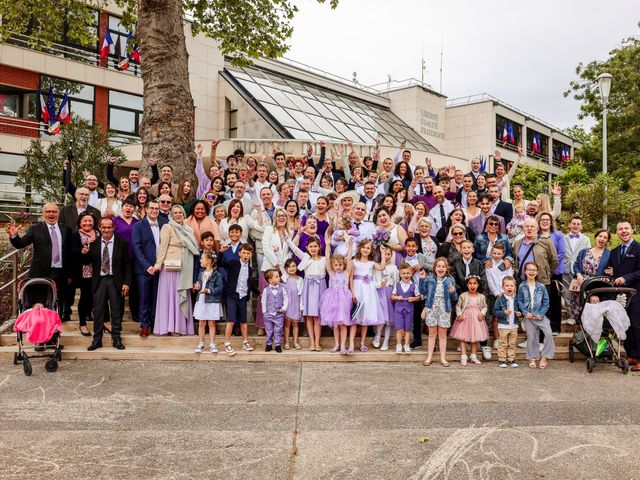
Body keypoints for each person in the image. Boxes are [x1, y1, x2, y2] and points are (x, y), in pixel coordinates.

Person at [9, 203, 72, 317]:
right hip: (40, 273)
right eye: (48, 211)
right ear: (43, 214)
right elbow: (20, 244)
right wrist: (14, 236)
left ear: (58, 213)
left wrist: (70, 274)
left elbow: (69, 252)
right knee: (40, 303)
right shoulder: (35, 229)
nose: (51, 214)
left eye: (54, 211)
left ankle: (57, 325)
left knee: (59, 300)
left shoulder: (66, 229)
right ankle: (40, 327)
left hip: (61, 272)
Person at [81, 216, 131, 351]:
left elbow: (127, 264)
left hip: (116, 280)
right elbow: (86, 262)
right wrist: (84, 253)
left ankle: (116, 338)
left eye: (109, 227)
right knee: (98, 311)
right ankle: (97, 339)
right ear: (99, 228)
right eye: (104, 227)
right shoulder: (94, 243)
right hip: (100, 280)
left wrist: (126, 282)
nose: (106, 230)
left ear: (113, 228)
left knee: (116, 310)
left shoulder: (122, 243)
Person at [152, 205, 200, 336]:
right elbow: (163, 247)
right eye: (175, 213)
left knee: (181, 295)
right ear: (171, 215)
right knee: (169, 297)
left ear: (184, 214)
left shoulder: (189, 229)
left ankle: (179, 327)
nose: (178, 215)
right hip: (170, 266)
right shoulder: (168, 227)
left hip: (185, 266)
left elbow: (195, 247)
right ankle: (168, 327)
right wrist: (158, 264)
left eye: (180, 212)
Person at [131, 200, 168, 337]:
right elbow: (136, 248)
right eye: (151, 208)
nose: (154, 210)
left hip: (161, 268)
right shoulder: (138, 226)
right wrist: (147, 266)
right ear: (146, 209)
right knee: (144, 298)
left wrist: (160, 265)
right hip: (143, 270)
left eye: (157, 208)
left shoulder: (165, 225)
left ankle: (155, 324)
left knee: (157, 299)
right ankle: (145, 325)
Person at [606, 222, 640, 371]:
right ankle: (632, 355)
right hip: (620, 295)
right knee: (625, 325)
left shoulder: (638, 249)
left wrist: (625, 278)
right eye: (620, 229)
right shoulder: (614, 251)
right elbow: (611, 270)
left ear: (632, 230)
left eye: (626, 228)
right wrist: (608, 277)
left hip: (636, 293)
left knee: (637, 324)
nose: (623, 231)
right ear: (617, 232)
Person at [286, 235, 327, 352]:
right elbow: (294, 248)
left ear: (319, 247)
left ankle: (317, 342)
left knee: (317, 316)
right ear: (307, 248)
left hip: (320, 287)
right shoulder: (305, 258)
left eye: (315, 246)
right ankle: (312, 342)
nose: (313, 248)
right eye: (311, 246)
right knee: (309, 315)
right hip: (309, 287)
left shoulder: (324, 260)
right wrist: (287, 238)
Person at [349, 241, 388, 354]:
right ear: (360, 248)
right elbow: (351, 278)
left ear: (371, 251)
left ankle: (362, 343)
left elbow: (381, 267)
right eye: (364, 247)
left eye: (368, 248)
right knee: (355, 319)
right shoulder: (354, 262)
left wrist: (383, 253)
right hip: (358, 289)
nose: (366, 250)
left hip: (368, 292)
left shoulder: (371, 263)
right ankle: (351, 344)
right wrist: (352, 292)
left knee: (365, 319)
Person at [220, 243, 259, 356]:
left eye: (248, 253)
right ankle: (227, 343)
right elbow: (220, 264)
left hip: (242, 297)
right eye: (244, 253)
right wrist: (221, 252)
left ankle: (245, 342)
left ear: (251, 255)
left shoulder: (250, 269)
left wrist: (259, 293)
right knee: (231, 320)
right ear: (239, 253)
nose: (246, 255)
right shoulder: (234, 263)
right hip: (232, 295)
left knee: (243, 321)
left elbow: (250, 284)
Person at [420, 257, 458, 367]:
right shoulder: (429, 279)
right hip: (431, 308)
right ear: (434, 268)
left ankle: (443, 358)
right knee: (432, 334)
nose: (441, 268)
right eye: (438, 266)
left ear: (446, 268)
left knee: (442, 334)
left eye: (443, 266)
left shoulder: (450, 280)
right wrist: (422, 279)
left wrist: (453, 291)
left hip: (444, 308)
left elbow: (454, 298)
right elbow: (423, 291)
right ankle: (429, 357)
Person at [319, 237, 354, 354]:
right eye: (336, 265)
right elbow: (327, 260)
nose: (338, 266)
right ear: (333, 266)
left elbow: (349, 260)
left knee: (343, 324)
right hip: (332, 300)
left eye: (340, 264)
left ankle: (343, 345)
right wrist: (328, 245)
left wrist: (350, 246)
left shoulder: (346, 273)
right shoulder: (331, 272)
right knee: (335, 325)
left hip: (344, 300)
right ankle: (337, 344)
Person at [517, 262, 554, 369]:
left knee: (548, 334)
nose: (531, 272)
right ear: (525, 271)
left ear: (537, 272)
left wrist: (541, 314)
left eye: (534, 270)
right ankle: (532, 357)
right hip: (529, 316)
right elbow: (519, 301)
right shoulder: (522, 286)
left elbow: (546, 302)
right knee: (532, 337)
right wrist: (525, 312)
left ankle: (545, 357)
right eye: (529, 269)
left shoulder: (541, 286)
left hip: (540, 315)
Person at [570, 229, 611, 323]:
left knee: (594, 310)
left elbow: (612, 269)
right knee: (579, 305)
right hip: (582, 283)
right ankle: (577, 322)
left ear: (607, 241)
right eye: (600, 236)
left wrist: (611, 272)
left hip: (597, 285)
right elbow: (576, 265)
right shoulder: (584, 252)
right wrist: (578, 274)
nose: (602, 239)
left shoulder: (609, 254)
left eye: (605, 237)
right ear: (596, 237)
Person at [537, 212, 566, 335]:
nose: (544, 221)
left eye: (547, 219)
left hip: (555, 271)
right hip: (540, 272)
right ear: (539, 222)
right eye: (542, 219)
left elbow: (561, 252)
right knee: (541, 300)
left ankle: (555, 327)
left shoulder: (558, 235)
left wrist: (549, 265)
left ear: (551, 221)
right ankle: (541, 327)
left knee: (554, 299)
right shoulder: (536, 235)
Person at [69, 212, 98, 336]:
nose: (88, 223)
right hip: (84, 271)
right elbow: (73, 252)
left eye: (90, 221)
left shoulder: (98, 233)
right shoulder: (76, 235)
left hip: (98, 270)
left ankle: (89, 313)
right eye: (85, 221)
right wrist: (85, 246)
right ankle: (82, 324)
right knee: (85, 296)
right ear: (80, 222)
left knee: (94, 296)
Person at [451, 276, 488, 366]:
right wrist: (459, 315)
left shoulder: (481, 296)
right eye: (470, 283)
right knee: (463, 338)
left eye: (474, 283)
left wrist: (482, 314)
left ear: (478, 285)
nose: (472, 285)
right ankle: (463, 356)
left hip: (476, 319)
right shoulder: (463, 296)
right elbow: (458, 306)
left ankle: (473, 356)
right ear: (467, 285)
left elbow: (485, 307)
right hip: (465, 319)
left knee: (474, 339)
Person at [193, 251, 224, 353]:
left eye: (202, 258)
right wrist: (197, 287)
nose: (200, 260)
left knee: (211, 323)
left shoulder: (217, 274)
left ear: (209, 261)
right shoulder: (201, 273)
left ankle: (212, 343)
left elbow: (220, 287)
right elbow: (199, 284)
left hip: (212, 301)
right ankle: (201, 343)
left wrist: (209, 291)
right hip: (202, 300)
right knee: (201, 323)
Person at [563, 216, 591, 324]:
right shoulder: (563, 238)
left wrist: (584, 271)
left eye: (578, 224)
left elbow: (588, 255)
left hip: (579, 270)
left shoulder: (586, 239)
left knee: (579, 293)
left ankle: (581, 315)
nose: (575, 226)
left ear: (581, 226)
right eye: (573, 223)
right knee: (567, 294)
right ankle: (571, 316)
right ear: (569, 225)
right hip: (566, 269)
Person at [391, 263, 422, 354]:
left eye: (408, 273)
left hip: (409, 311)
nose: (406, 275)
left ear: (411, 274)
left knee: (407, 329)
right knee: (399, 329)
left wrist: (414, 298)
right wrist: (397, 297)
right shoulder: (397, 285)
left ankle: (407, 344)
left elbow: (419, 297)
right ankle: (399, 345)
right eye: (403, 273)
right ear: (400, 274)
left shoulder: (414, 286)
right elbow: (392, 296)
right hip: (398, 311)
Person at [493, 276, 522, 368]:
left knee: (512, 343)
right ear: (503, 287)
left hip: (514, 325)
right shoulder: (500, 299)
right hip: (503, 326)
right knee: (503, 343)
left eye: (511, 286)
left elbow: (520, 310)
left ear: (515, 288)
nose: (509, 287)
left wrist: (519, 314)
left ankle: (511, 359)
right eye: (507, 285)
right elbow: (495, 311)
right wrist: (503, 312)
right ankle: (502, 359)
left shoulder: (516, 299)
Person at [374, 246, 399, 351]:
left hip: (389, 293)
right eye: (384, 254)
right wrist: (380, 284)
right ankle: (378, 335)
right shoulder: (376, 267)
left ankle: (386, 342)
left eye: (388, 254)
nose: (386, 256)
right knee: (381, 316)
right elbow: (373, 281)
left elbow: (397, 282)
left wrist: (394, 294)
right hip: (379, 293)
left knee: (389, 319)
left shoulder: (394, 268)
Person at [261, 268, 288, 353]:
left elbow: (286, 300)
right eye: (276, 277)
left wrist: (284, 308)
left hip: (279, 314)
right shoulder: (266, 290)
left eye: (279, 276)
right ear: (270, 280)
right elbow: (263, 301)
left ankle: (277, 345)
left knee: (278, 330)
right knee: (269, 330)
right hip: (268, 314)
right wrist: (264, 312)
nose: (279, 278)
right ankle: (268, 344)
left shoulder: (282, 288)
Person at [282, 258, 303, 350]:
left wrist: (301, 306)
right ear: (286, 269)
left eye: (293, 266)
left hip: (296, 303)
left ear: (297, 267)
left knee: (295, 324)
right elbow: (280, 262)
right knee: (287, 324)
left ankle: (295, 341)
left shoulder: (300, 279)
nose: (291, 268)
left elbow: (301, 293)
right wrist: (278, 253)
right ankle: (286, 341)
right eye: (289, 267)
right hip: (287, 303)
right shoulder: (284, 278)